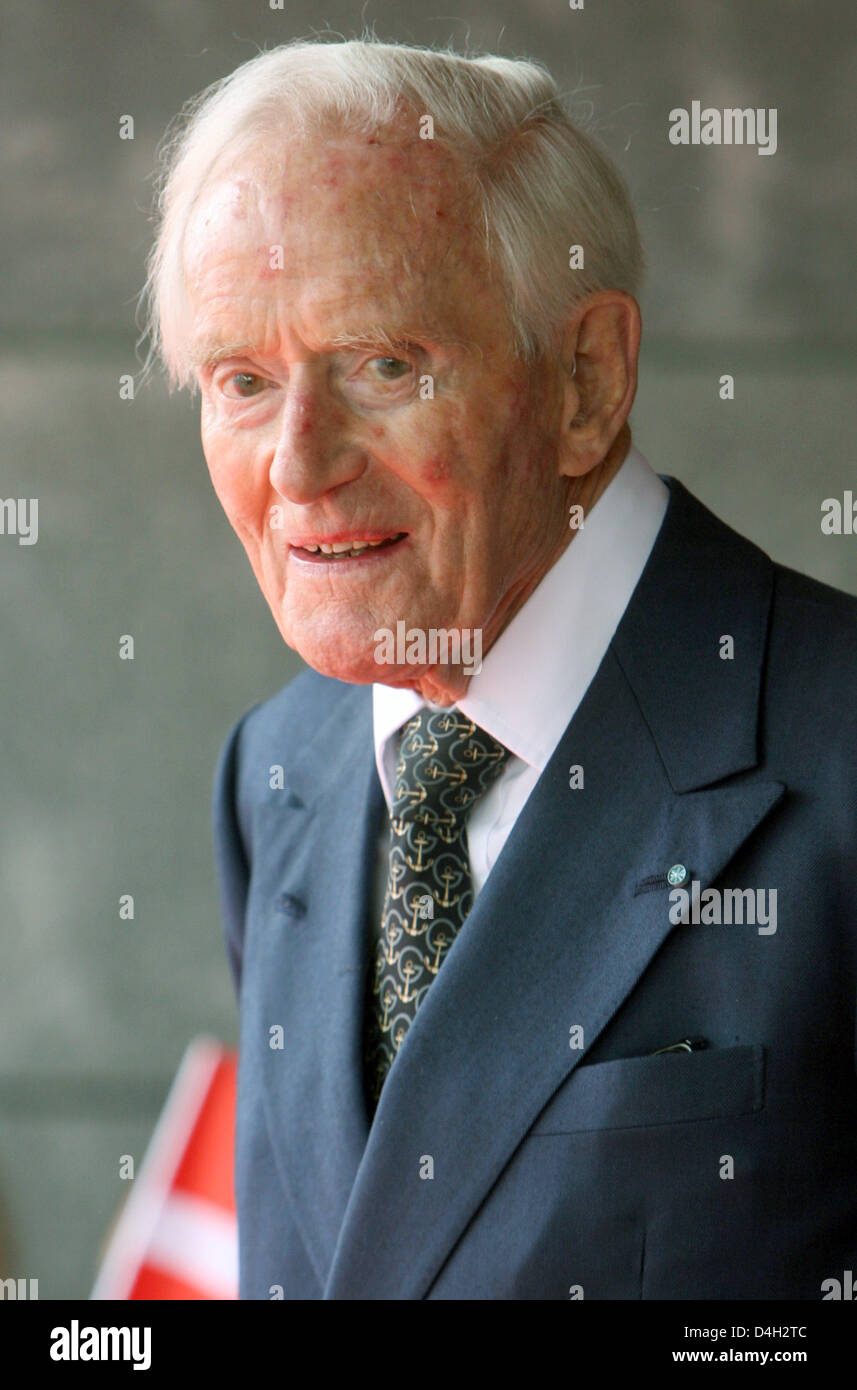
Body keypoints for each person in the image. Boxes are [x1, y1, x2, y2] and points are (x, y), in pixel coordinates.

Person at [144, 38, 857, 1299]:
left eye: (382, 365)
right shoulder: (276, 771)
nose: (299, 467)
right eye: (243, 380)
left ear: (586, 381)